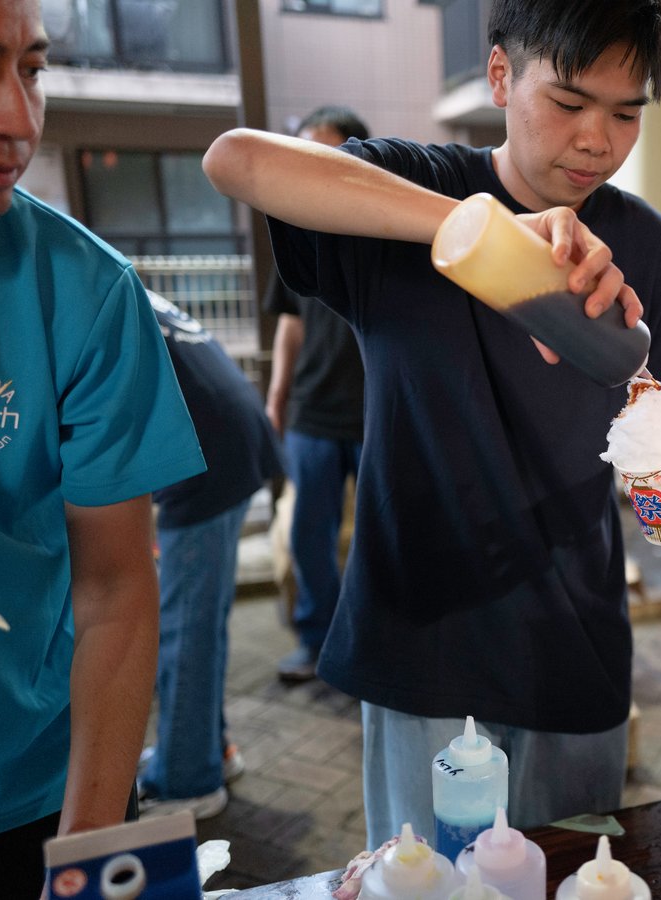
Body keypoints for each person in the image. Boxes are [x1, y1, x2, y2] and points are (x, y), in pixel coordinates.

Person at [203, 0, 661, 845]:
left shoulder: (652, 250)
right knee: (427, 882)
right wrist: (477, 229)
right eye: (568, 103)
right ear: (500, 75)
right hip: (423, 644)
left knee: (570, 874)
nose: (599, 139)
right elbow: (236, 160)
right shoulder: (414, 190)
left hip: (578, 650)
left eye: (627, 111)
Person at [0, 1, 206, 895]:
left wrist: (94, 855)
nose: (16, 116)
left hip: (45, 763)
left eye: (32, 68)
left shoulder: (84, 288)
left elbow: (116, 586)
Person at [137, 292, 284, 819]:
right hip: (230, 438)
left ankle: (186, 782)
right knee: (197, 620)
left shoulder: (59, 290)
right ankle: (205, 752)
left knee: (185, 628)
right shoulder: (111, 279)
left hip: (205, 454)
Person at [263, 105, 370, 684]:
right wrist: (277, 397)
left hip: (375, 412)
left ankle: (374, 646)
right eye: (305, 150)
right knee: (310, 534)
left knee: (385, 535)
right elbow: (289, 323)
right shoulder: (294, 226)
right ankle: (317, 643)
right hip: (312, 412)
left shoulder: (382, 226)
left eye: (329, 151)